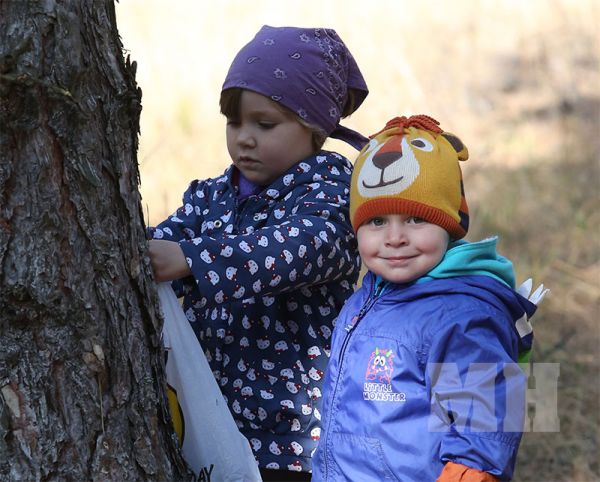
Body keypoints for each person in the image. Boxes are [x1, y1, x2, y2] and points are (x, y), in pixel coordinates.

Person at [147, 25, 369, 481]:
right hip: (211, 419)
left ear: (314, 126)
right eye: (234, 123)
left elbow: (301, 248)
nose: (244, 138)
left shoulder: (331, 194)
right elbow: (159, 246)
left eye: (264, 124)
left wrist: (193, 258)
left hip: (292, 437)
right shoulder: (210, 196)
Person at [311, 115, 539, 481]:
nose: (395, 237)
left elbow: (485, 435)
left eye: (416, 219)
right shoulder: (370, 295)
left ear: (450, 224)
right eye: (377, 221)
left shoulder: (464, 315)